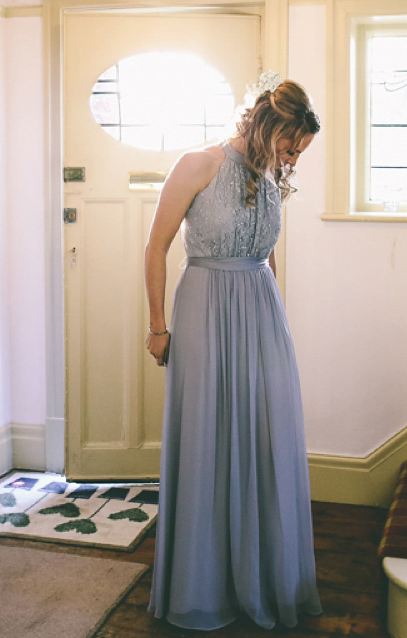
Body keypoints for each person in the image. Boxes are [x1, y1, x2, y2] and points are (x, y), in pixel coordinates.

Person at [144, 74, 323, 631]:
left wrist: (276, 318)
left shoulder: (269, 177)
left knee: (266, 434)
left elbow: (266, 254)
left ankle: (262, 574)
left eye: (299, 151)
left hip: (261, 314)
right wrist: (158, 325)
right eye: (291, 145)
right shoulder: (199, 164)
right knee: (207, 435)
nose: (293, 157)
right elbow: (156, 245)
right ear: (270, 125)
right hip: (203, 309)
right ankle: (204, 582)